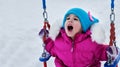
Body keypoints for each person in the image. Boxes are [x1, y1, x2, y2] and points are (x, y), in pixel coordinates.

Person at [41, 8, 119, 67]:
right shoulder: (59, 40)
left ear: (83, 27)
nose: (70, 21)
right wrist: (45, 38)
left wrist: (110, 53)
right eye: (67, 18)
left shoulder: (91, 42)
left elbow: (101, 51)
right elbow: (51, 48)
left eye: (75, 19)